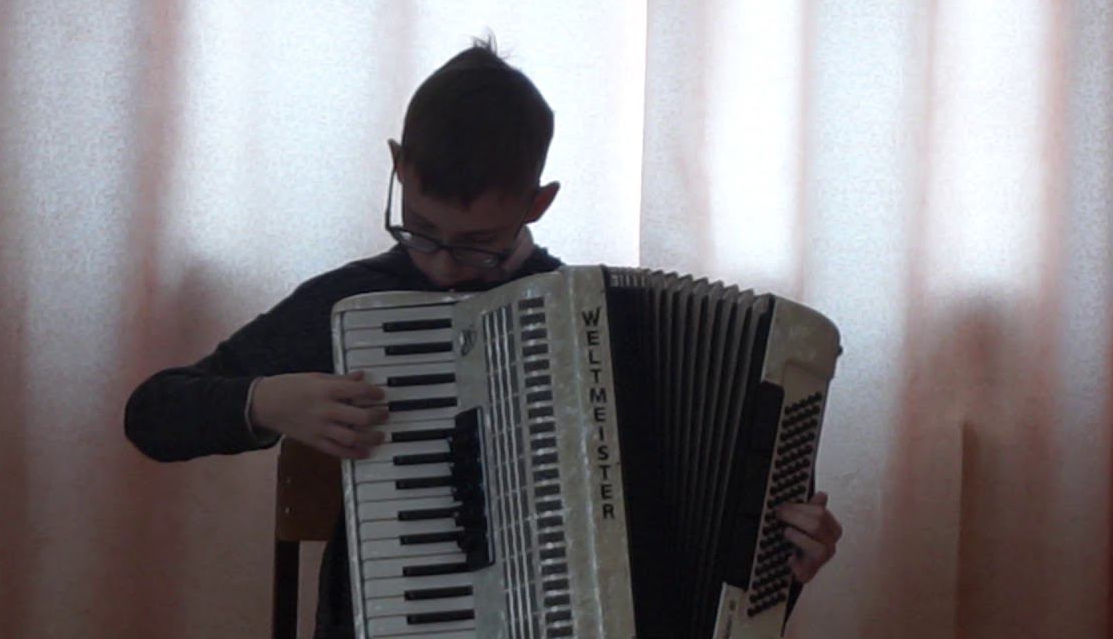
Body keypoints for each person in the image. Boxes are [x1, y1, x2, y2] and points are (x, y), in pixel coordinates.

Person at [124, 37, 843, 638]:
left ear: (538, 203)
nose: (441, 265)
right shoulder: (355, 303)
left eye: (477, 244)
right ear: (398, 167)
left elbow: (703, 566)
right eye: (420, 229)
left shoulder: (598, 324)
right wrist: (266, 402)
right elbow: (153, 414)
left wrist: (784, 563)